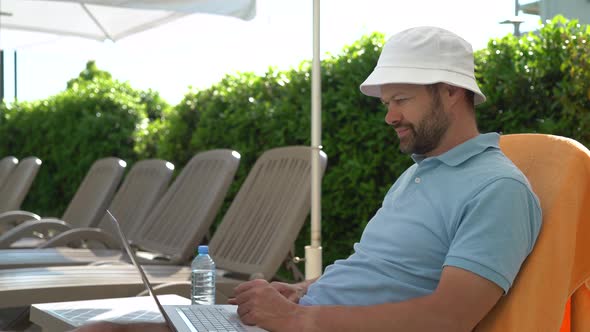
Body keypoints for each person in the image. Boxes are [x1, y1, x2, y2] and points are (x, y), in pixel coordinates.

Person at [72, 26, 542, 332]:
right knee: (105, 325)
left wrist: (300, 319)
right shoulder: (420, 175)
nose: (390, 117)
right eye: (386, 104)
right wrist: (299, 290)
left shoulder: (497, 190)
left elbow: (449, 317)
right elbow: (379, 272)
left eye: (402, 99)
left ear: (452, 91)